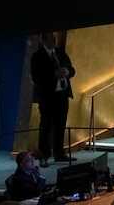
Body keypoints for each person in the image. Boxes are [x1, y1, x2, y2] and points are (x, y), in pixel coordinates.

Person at [31, 31, 75, 166]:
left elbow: (72, 69)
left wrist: (66, 72)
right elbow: (36, 77)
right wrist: (54, 75)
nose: (54, 41)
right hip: (47, 97)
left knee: (60, 125)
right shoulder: (37, 56)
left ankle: (59, 153)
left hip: (62, 95)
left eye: (54, 38)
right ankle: (44, 154)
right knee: (46, 126)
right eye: (51, 39)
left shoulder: (60, 53)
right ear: (44, 40)